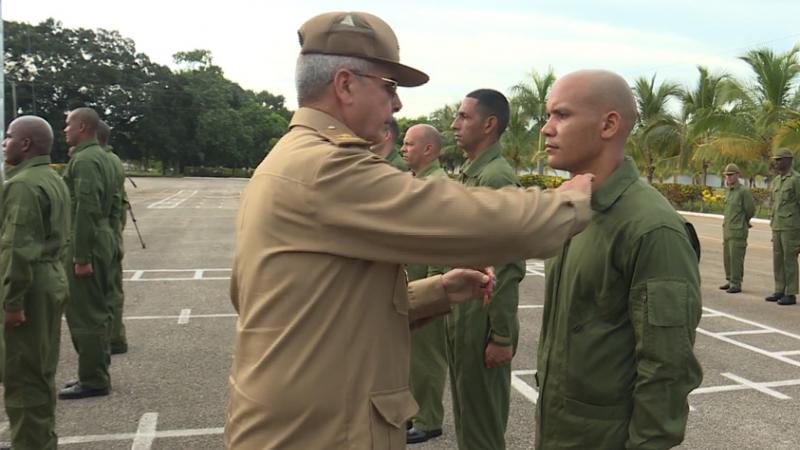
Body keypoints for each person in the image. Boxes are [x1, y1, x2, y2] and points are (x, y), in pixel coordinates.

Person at [226, 11, 595, 450]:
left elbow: (321, 305)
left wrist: (436, 292)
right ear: (345, 85)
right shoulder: (327, 166)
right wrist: (571, 200)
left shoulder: (290, 159)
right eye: (389, 87)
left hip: (298, 417)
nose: (396, 104)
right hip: (319, 430)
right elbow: (462, 220)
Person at [535, 69, 703, 449]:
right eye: (548, 115)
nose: (546, 129)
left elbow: (667, 368)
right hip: (560, 431)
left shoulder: (651, 228)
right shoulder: (576, 210)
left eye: (561, 115)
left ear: (608, 124)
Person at [445, 89, 523, 450]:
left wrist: (502, 336)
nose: (454, 124)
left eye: (464, 117)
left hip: (482, 322)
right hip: (464, 316)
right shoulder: (473, 175)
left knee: (483, 428)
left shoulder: (496, 179)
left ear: (489, 124)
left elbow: (507, 266)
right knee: (467, 416)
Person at [1, 115, 71, 449]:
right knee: (40, 369)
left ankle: (31, 442)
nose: (5, 142)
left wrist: (12, 302)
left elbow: (17, 247)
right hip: (50, 276)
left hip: (29, 285)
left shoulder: (23, 184)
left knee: (24, 375)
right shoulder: (51, 177)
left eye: (9, 136)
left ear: (25, 144)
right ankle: (40, 438)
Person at [59, 107, 119, 399]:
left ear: (83, 126)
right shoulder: (104, 158)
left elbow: (85, 208)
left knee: (86, 314)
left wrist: (80, 256)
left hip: (89, 240)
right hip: (104, 236)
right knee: (100, 309)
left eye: (68, 125)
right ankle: (95, 371)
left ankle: (93, 378)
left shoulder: (84, 160)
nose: (65, 130)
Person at [401, 124, 449, 444]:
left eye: (409, 144)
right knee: (410, 358)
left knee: (427, 358)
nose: (403, 148)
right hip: (412, 282)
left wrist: (434, 288)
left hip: (427, 283)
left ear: (428, 149)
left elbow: (441, 243)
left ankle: (429, 419)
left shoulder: (437, 186)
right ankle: (412, 413)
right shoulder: (419, 182)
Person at [97, 120, 129, 353]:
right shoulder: (115, 161)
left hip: (98, 235)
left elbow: (88, 207)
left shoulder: (94, 161)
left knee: (96, 295)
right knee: (114, 289)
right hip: (113, 230)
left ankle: (103, 341)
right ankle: (116, 335)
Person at [767, 148, 800, 306]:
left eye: (779, 159)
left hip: (791, 227)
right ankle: (779, 289)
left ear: (788, 160)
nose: (776, 162)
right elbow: (774, 206)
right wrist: (773, 226)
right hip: (778, 226)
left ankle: (790, 293)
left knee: (789, 259)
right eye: (776, 159)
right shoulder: (777, 181)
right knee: (777, 259)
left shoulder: (796, 180)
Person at [719, 163, 755, 294]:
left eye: (731, 175)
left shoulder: (743, 191)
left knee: (736, 258)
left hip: (738, 230)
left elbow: (750, 210)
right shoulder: (728, 191)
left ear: (737, 175)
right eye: (727, 175)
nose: (728, 177)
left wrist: (743, 221)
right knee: (727, 257)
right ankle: (729, 280)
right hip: (728, 230)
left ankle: (736, 282)